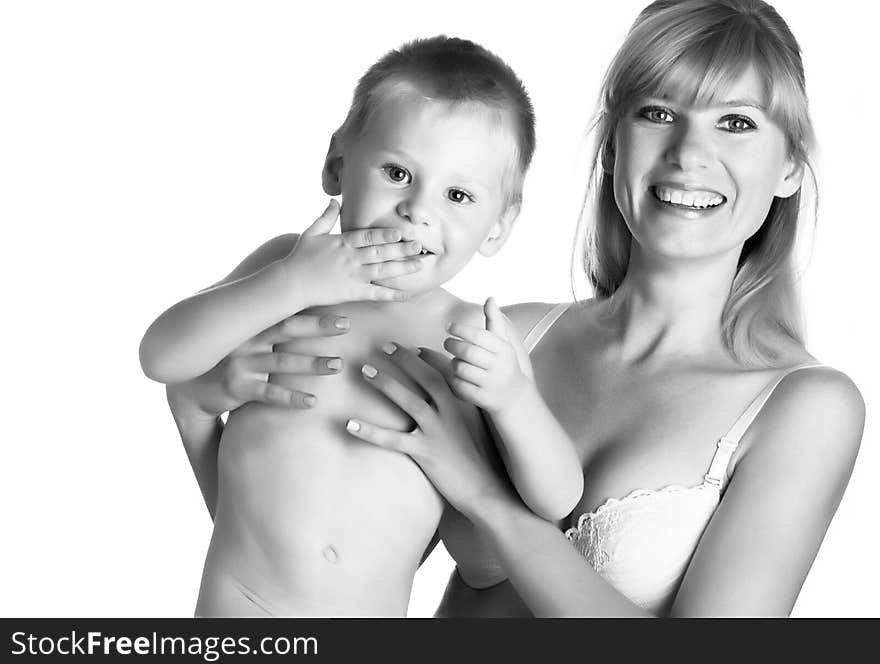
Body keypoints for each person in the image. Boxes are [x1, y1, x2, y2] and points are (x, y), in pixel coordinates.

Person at [347, 0, 866, 616]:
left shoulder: (805, 409)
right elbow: (324, 537)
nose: (688, 153)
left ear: (790, 168)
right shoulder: (499, 335)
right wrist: (199, 412)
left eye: (736, 122)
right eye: (657, 112)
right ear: (613, 146)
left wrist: (486, 498)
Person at [139, 36, 582, 616]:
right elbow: (161, 358)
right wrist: (292, 284)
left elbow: (556, 498)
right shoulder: (288, 268)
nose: (418, 210)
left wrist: (513, 400)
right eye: (398, 172)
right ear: (337, 165)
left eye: (458, 194)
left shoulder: (470, 335)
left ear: (498, 227)